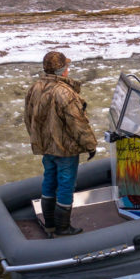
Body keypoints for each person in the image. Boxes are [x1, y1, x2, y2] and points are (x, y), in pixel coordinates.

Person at [24, 51, 97, 237]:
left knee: (49, 180)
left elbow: (28, 117)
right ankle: (63, 227)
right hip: (65, 148)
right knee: (65, 184)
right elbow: (78, 123)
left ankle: (49, 223)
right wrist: (90, 145)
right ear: (63, 70)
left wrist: (38, 139)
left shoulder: (35, 87)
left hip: (47, 147)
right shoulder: (64, 92)